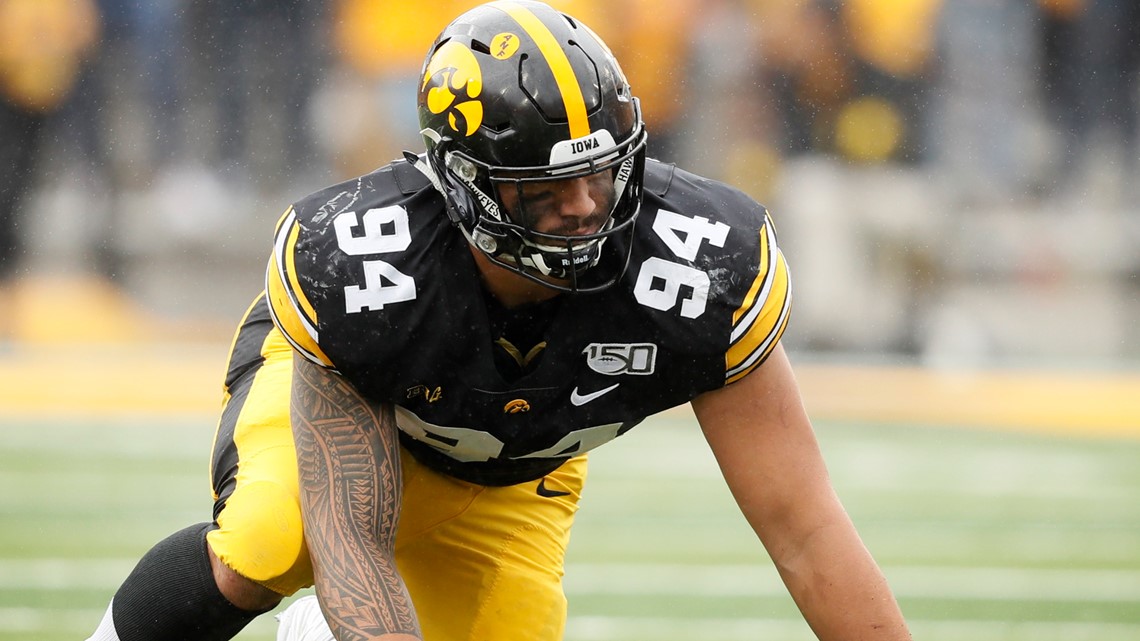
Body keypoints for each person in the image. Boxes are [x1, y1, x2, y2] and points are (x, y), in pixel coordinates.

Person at [84, 2, 912, 640]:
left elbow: (804, 528)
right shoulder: (371, 268)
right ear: (464, 184)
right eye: (544, 187)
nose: (585, 206)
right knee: (270, 538)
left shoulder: (696, 267)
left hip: (512, 466)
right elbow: (353, 543)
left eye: (602, 173)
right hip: (373, 423)